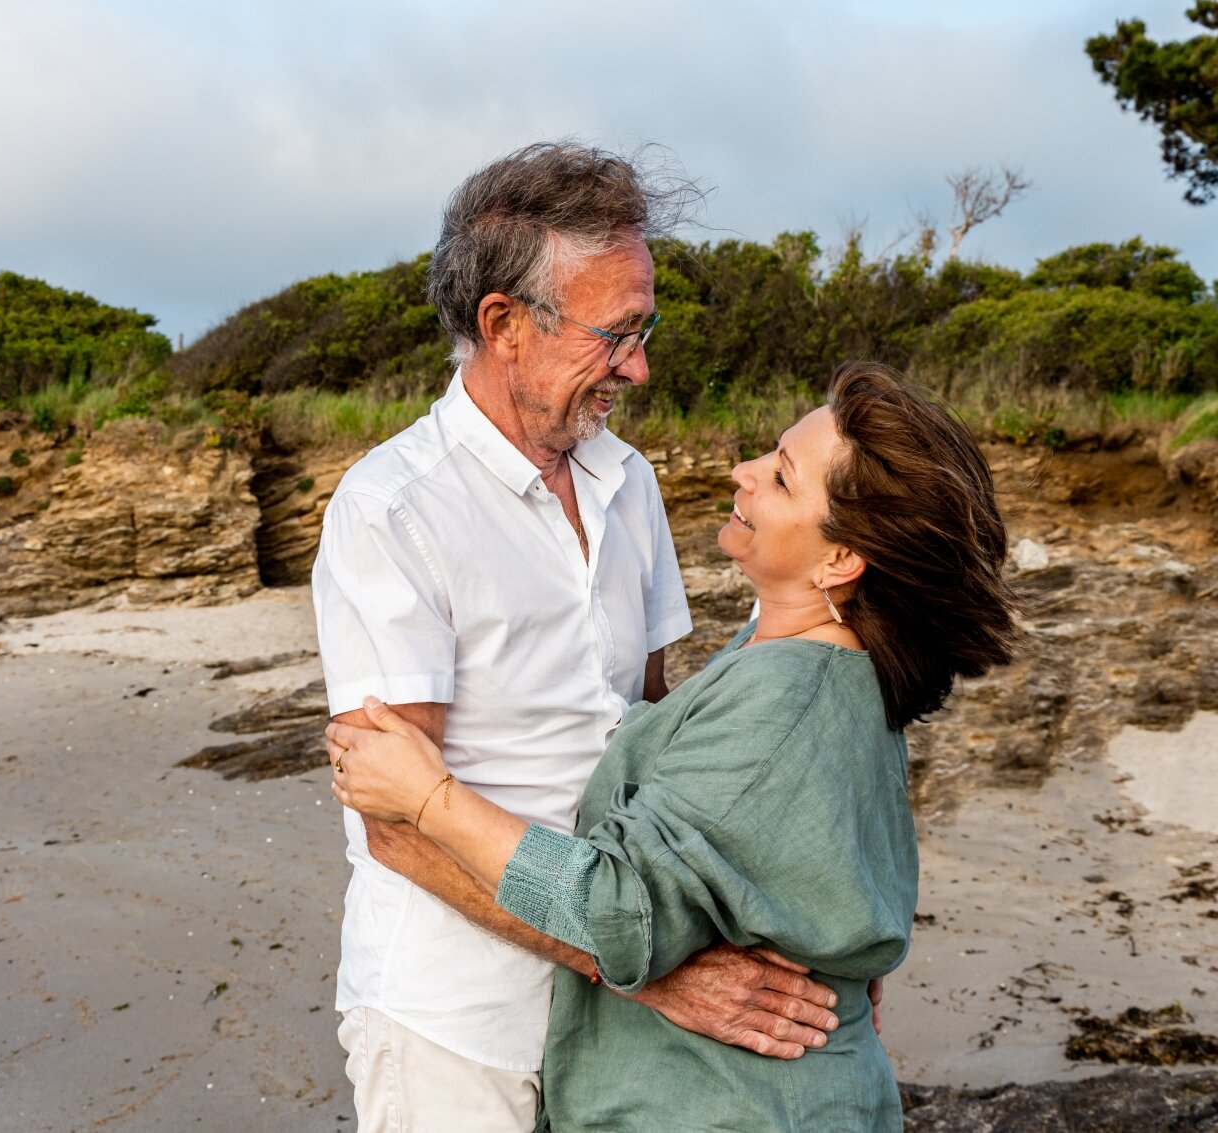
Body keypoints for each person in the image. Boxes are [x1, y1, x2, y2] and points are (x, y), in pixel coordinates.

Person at [329, 361, 1019, 1131]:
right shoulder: (805, 662)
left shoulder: (788, 693)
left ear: (840, 559)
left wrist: (428, 796)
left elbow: (622, 912)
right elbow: (740, 818)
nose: (743, 471)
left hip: (732, 1105)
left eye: (781, 477)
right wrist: (833, 947)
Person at [311, 143, 843, 1133]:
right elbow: (395, 823)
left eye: (644, 330)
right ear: (503, 325)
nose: (637, 366)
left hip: (617, 1022)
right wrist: (650, 971)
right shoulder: (392, 509)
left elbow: (655, 736)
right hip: (458, 1025)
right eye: (615, 334)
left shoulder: (628, 481)